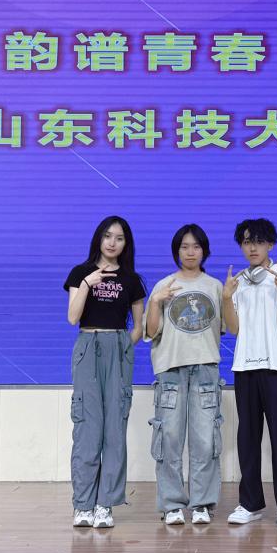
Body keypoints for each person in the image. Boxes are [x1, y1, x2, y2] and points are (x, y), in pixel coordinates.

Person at [63, 216, 146, 528]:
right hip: (88, 345)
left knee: (114, 430)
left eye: (119, 238)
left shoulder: (131, 280)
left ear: (126, 244)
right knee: (87, 429)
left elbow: (139, 327)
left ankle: (105, 505)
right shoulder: (80, 273)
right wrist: (88, 284)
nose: (112, 243)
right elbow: (73, 318)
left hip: (117, 349)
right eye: (108, 236)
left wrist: (122, 346)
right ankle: (83, 505)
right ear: (99, 238)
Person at [222, 218, 277, 528]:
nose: (252, 247)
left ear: (270, 244)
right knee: (247, 438)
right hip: (245, 368)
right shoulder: (237, 282)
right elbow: (233, 329)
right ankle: (250, 503)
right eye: (246, 242)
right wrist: (226, 298)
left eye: (258, 241)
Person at [144, 224, 224, 526]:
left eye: (196, 246)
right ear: (176, 251)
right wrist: (156, 301)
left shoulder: (215, 286)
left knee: (205, 440)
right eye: (184, 247)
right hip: (170, 370)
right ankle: (172, 504)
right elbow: (151, 331)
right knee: (169, 439)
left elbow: (227, 327)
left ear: (204, 251)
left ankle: (202, 503)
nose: (190, 252)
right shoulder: (164, 285)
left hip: (205, 369)